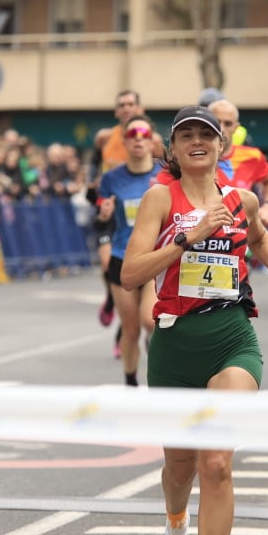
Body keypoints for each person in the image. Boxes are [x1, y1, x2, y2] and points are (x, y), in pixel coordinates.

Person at [121, 105, 268, 535]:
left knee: (217, 462)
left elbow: (259, 237)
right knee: (180, 465)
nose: (198, 142)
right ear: (174, 149)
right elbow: (131, 272)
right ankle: (175, 525)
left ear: (222, 146)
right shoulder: (160, 199)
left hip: (232, 337)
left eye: (206, 134)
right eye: (187, 136)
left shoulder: (241, 200)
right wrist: (187, 238)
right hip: (175, 344)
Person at [96, 114, 161, 386]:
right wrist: (103, 214)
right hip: (122, 258)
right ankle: (131, 382)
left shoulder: (165, 174)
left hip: (156, 259)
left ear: (152, 141)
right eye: (132, 135)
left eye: (144, 134)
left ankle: (157, 372)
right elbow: (101, 217)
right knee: (130, 329)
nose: (138, 140)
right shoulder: (111, 178)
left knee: (151, 322)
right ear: (124, 142)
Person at [208, 99, 268, 226]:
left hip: (242, 233)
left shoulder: (252, 156)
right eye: (216, 122)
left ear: (236, 127)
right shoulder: (192, 157)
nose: (221, 128)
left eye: (228, 124)